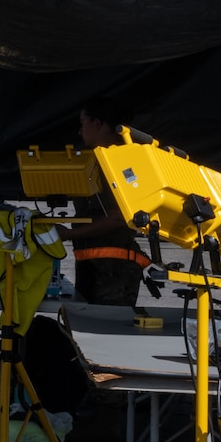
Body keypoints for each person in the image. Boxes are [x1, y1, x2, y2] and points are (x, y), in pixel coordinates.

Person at [60, 102, 153, 307]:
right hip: (97, 267)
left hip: (112, 271)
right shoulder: (102, 162)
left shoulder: (115, 165)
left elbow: (117, 218)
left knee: (105, 331)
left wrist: (68, 234)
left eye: (83, 123)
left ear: (97, 123)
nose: (79, 131)